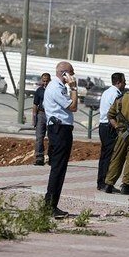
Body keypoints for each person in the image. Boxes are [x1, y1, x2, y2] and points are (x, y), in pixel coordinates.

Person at [43, 61, 78, 217]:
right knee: (58, 168)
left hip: (61, 129)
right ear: (64, 73)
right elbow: (73, 107)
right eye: (71, 72)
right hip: (59, 130)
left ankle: (51, 204)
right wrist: (74, 88)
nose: (73, 75)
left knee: (59, 168)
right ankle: (50, 206)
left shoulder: (58, 87)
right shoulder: (56, 87)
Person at [96, 72, 126, 191]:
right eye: (124, 81)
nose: (125, 84)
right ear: (118, 82)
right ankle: (105, 182)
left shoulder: (107, 92)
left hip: (104, 126)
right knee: (109, 156)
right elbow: (116, 113)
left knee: (104, 156)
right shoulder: (115, 95)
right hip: (110, 127)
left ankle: (101, 182)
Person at [32, 72, 51, 166]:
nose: (45, 83)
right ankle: (39, 157)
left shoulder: (53, 90)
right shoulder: (39, 90)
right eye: (44, 81)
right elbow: (35, 105)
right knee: (39, 137)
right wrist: (34, 117)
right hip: (41, 114)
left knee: (52, 137)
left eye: (47, 81)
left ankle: (51, 157)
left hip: (51, 115)